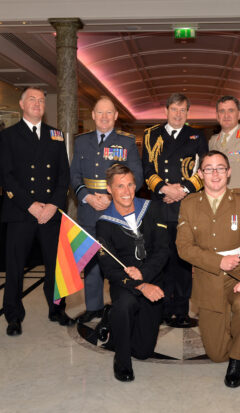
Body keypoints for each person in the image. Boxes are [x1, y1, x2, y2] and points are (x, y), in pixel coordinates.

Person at [176, 150, 240, 388]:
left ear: (229, 172)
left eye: (220, 168)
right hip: (208, 277)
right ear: (200, 174)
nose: (215, 174)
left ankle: (237, 359)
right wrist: (217, 261)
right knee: (216, 354)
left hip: (238, 274)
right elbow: (183, 248)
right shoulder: (189, 205)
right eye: (209, 169)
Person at [0, 87, 72, 336]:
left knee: (55, 266)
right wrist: (30, 205)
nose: (37, 103)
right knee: (15, 267)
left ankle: (57, 308)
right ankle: (13, 315)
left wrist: (53, 205)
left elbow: (64, 175)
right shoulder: (8, 135)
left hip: (51, 212)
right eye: (32, 99)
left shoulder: (56, 135)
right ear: (21, 104)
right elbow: (5, 176)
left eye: (41, 100)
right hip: (21, 212)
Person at [71, 97, 143, 323]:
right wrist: (86, 197)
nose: (104, 117)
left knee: (119, 261)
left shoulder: (127, 142)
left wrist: (112, 196)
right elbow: (73, 175)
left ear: (115, 116)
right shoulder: (81, 142)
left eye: (109, 113)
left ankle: (121, 305)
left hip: (116, 211)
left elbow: (137, 178)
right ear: (92, 115)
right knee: (91, 261)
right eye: (100, 113)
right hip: (89, 209)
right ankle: (94, 307)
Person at [95, 164, 169, 382]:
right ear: (109, 189)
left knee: (143, 351)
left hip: (153, 277)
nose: (126, 191)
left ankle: (113, 319)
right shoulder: (104, 224)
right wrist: (140, 285)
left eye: (130, 185)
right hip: (124, 283)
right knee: (125, 305)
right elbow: (108, 268)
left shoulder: (152, 208)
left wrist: (145, 276)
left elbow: (163, 250)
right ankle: (121, 359)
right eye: (119, 186)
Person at [142, 93, 208, 328]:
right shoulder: (151, 135)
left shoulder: (197, 136)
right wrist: (164, 189)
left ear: (187, 113)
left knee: (182, 260)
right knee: (160, 257)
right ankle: (160, 307)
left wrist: (183, 189)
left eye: (183, 110)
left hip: (186, 206)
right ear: (166, 110)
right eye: (174, 109)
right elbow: (147, 169)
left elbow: (203, 170)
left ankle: (180, 310)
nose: (178, 114)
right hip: (160, 206)